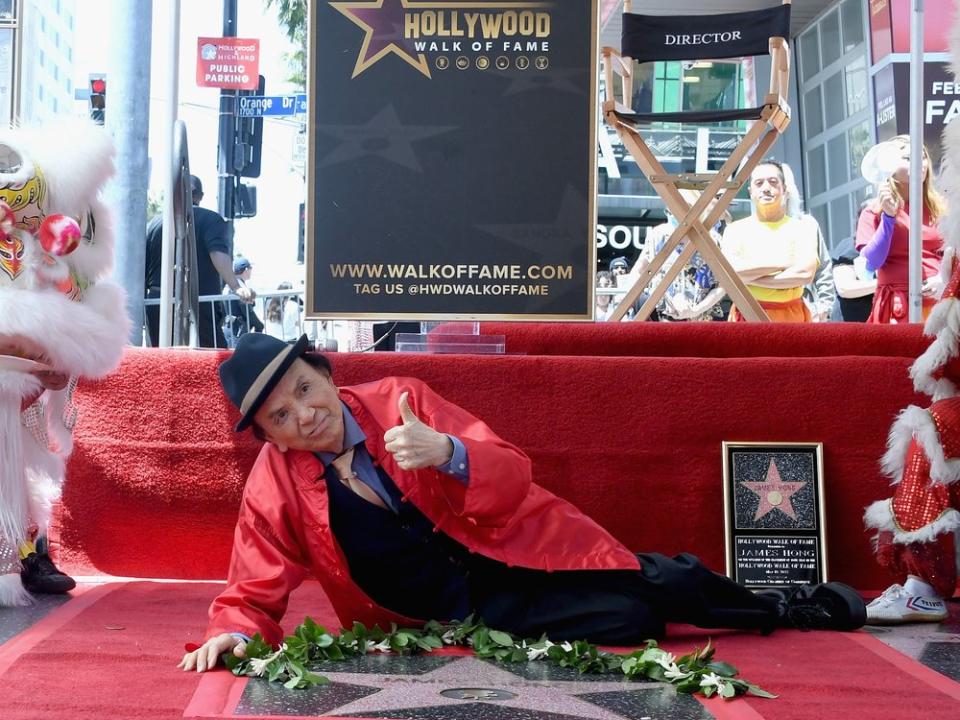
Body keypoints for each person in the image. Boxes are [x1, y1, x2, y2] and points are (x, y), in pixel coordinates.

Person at [179, 333, 866, 672]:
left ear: (326, 374)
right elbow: (253, 586)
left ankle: (787, 605)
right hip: (452, 614)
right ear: (264, 433)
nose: (300, 416)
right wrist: (232, 636)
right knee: (626, 619)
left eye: (303, 389)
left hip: (518, 549)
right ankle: (660, 607)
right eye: (276, 415)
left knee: (665, 581)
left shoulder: (401, 401)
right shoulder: (273, 483)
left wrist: (446, 453)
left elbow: (512, 470)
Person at [144, 176, 255, 347]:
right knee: (209, 361)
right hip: (198, 304)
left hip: (158, 304)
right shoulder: (211, 220)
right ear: (200, 196)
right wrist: (236, 286)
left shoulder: (154, 224)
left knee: (161, 363)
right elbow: (217, 253)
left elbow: (142, 267)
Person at [854, 136, 946, 324]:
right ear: (888, 166)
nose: (918, 163)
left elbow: (954, 254)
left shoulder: (942, 208)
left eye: (922, 156)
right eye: (907, 158)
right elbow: (871, 263)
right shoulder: (872, 211)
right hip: (896, 306)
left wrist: (944, 277)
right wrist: (888, 218)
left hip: (939, 301)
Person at [720, 160, 821, 322]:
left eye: (773, 182)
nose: (766, 188)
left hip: (791, 317)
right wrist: (784, 263)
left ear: (785, 189)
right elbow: (728, 275)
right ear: (750, 191)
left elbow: (805, 274)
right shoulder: (734, 230)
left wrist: (751, 278)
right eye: (759, 183)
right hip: (746, 315)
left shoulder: (803, 228)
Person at [627, 189, 727, 322]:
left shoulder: (712, 240)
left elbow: (723, 285)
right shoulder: (658, 235)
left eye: (686, 207)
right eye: (672, 208)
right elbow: (640, 269)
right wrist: (627, 298)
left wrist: (695, 311)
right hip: (660, 318)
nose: (677, 214)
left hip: (702, 320)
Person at [223, 258, 264, 347]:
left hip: (230, 328)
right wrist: (259, 325)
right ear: (246, 269)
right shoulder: (240, 288)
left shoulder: (230, 285)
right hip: (238, 330)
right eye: (250, 268)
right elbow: (247, 310)